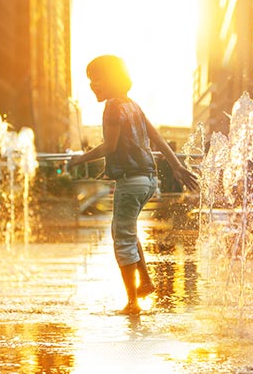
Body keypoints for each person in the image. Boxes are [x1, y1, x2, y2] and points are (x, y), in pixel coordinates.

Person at [67, 55, 198, 315]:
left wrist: (78, 159)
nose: (93, 85)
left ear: (112, 79)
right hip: (149, 180)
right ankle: (146, 282)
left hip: (131, 182)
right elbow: (157, 138)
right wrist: (176, 166)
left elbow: (109, 146)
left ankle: (132, 303)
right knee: (127, 231)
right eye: (90, 80)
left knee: (121, 239)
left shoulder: (113, 107)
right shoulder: (133, 106)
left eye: (97, 79)